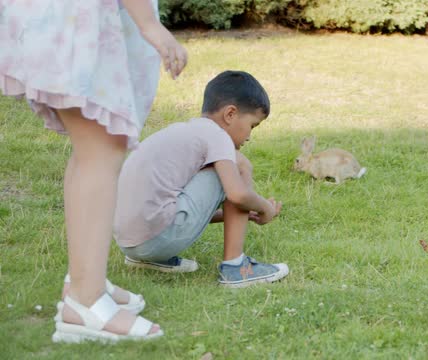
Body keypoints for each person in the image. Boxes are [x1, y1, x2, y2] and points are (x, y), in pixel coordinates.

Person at [0, 0, 187, 343]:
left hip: (68, 15)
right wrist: (148, 24)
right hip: (80, 17)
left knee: (93, 148)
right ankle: (84, 303)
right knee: (101, 149)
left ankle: (86, 282)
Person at [113, 70, 289, 288]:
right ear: (230, 114)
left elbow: (173, 203)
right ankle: (236, 267)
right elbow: (238, 194)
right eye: (252, 125)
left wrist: (236, 214)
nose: (249, 136)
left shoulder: (185, 133)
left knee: (227, 170)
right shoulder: (218, 137)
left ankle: (146, 259)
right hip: (157, 239)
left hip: (130, 243)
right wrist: (265, 208)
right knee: (240, 165)